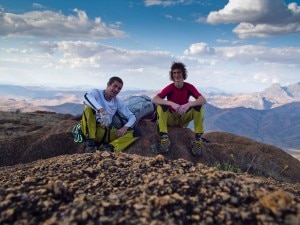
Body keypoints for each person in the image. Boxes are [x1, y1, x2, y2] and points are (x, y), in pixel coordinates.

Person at [152, 61, 207, 156]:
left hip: (183, 119)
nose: (177, 75)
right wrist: (170, 103)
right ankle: (164, 138)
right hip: (170, 119)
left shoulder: (189, 87)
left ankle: (197, 140)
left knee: (199, 107)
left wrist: (189, 104)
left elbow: (203, 100)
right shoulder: (170, 87)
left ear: (183, 74)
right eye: (174, 73)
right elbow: (155, 99)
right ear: (172, 75)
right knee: (161, 106)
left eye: (179, 72)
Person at [81, 76, 141, 152]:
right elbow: (87, 97)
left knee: (136, 132)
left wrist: (125, 127)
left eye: (119, 88)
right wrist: (101, 110)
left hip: (105, 131)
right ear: (108, 84)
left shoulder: (117, 101)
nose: (116, 90)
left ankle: (110, 147)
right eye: (115, 86)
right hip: (92, 129)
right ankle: (90, 145)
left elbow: (132, 117)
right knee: (88, 109)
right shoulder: (96, 93)